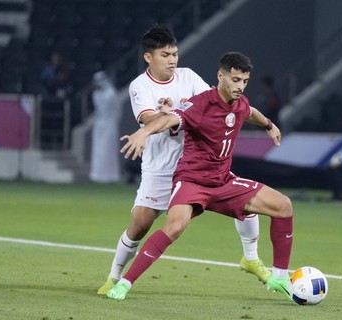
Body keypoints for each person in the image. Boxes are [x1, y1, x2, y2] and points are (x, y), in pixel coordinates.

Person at [107, 51, 294, 302]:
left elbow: (250, 113)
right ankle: (125, 283)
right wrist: (143, 133)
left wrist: (270, 125)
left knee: (283, 205)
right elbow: (169, 120)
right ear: (221, 76)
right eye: (235, 80)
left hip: (223, 181)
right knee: (174, 227)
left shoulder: (239, 103)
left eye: (245, 81)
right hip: (192, 182)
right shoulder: (201, 104)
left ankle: (280, 276)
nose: (240, 86)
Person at [89, 71, 122, 183]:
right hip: (99, 125)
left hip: (109, 125)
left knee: (108, 150)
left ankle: (110, 175)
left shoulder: (111, 93)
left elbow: (117, 110)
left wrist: (113, 122)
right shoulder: (96, 94)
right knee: (98, 150)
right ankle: (97, 175)